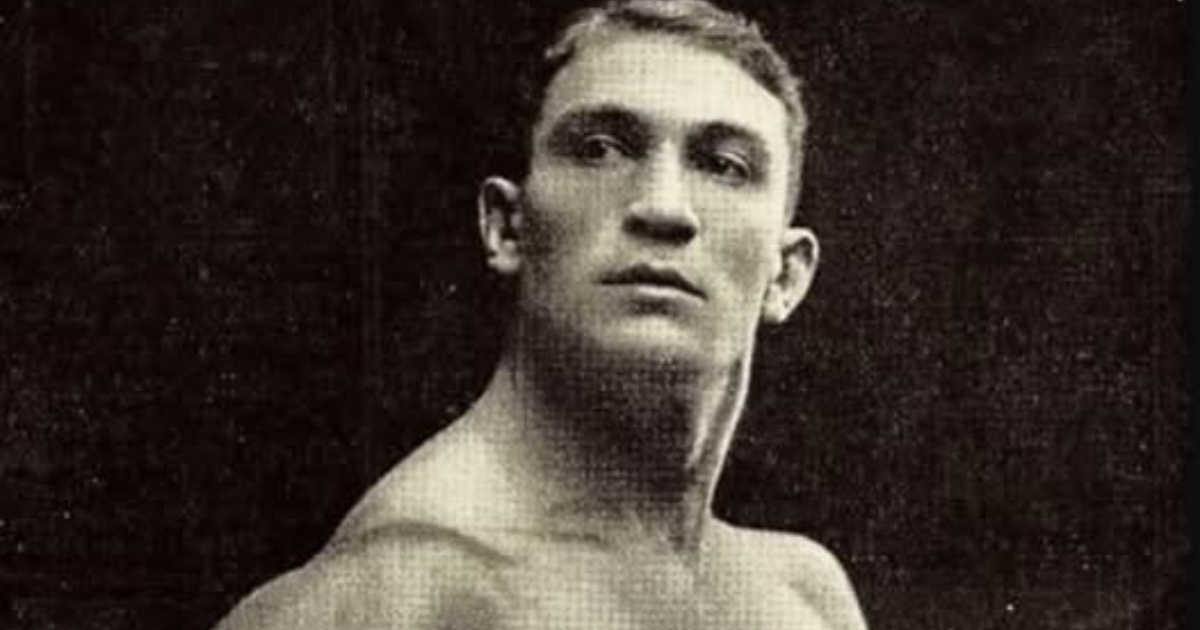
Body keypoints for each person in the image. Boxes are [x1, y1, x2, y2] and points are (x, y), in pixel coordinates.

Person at [216, 0, 868, 628]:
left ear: (786, 275)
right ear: (507, 227)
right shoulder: (391, 597)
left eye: (724, 165)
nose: (664, 207)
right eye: (601, 149)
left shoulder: (802, 598)